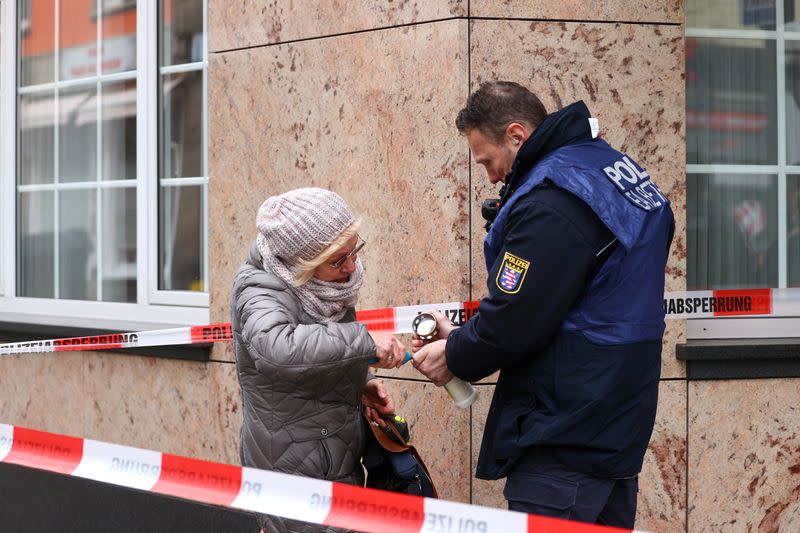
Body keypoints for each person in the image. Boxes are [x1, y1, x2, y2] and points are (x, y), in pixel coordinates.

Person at [412, 81, 674, 527]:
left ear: (516, 135)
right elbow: (575, 300)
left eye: (488, 161)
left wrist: (454, 354)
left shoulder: (556, 199)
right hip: (615, 420)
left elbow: (516, 318)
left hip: (565, 426)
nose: (492, 177)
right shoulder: (611, 169)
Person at [231, 187, 406, 533]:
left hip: (335, 457)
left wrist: (360, 383)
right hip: (291, 470)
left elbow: (323, 354)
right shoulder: (258, 289)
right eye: (338, 260)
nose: (352, 266)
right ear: (300, 263)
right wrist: (364, 341)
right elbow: (278, 348)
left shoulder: (327, 285)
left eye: (353, 251)